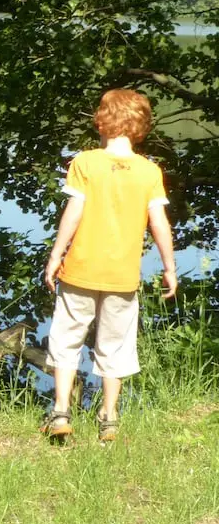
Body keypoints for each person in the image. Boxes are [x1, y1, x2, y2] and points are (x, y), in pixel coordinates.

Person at [41, 88, 177, 442]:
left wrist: (56, 255)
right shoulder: (149, 171)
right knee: (115, 345)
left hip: (81, 269)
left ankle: (60, 414)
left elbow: (73, 213)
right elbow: (159, 222)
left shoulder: (85, 162)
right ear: (141, 127)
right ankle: (110, 417)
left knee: (67, 339)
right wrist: (169, 266)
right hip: (122, 277)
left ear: (101, 120)